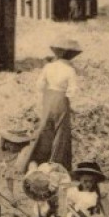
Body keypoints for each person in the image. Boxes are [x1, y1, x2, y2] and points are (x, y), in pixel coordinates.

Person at [29, 38, 81, 171]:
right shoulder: (70, 70)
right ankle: (56, 164)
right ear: (71, 55)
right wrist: (67, 99)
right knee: (61, 132)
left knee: (44, 129)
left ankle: (38, 162)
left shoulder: (48, 66)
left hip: (47, 97)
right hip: (61, 98)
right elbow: (73, 90)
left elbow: (39, 85)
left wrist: (47, 92)